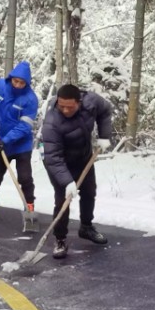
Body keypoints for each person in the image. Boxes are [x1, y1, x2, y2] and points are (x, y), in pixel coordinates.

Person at [41, 83, 113, 259]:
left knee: (89, 192)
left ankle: (86, 227)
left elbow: (105, 111)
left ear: (79, 102)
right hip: (59, 162)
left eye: (70, 107)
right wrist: (67, 182)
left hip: (83, 157)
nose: (65, 110)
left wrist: (104, 136)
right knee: (63, 200)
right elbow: (53, 158)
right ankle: (60, 239)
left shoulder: (91, 102)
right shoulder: (52, 122)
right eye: (61, 106)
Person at [0, 61, 38, 221]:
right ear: (11, 78)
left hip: (20, 145)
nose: (17, 85)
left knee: (25, 178)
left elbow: (25, 126)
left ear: (27, 83)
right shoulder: (0, 86)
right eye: (15, 81)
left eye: (21, 82)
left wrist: (7, 140)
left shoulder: (30, 99)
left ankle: (30, 208)